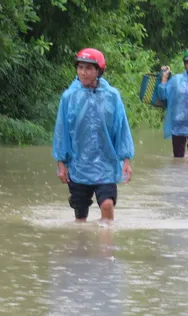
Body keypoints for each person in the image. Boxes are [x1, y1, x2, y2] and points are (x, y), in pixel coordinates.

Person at [52, 48, 135, 222]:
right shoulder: (69, 97)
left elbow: (121, 128)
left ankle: (107, 238)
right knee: (80, 216)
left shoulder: (112, 96)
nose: (83, 72)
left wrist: (126, 159)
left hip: (106, 165)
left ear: (99, 71)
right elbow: (62, 131)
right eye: (80, 67)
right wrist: (61, 163)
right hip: (78, 165)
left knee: (107, 204)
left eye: (89, 68)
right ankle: (83, 239)